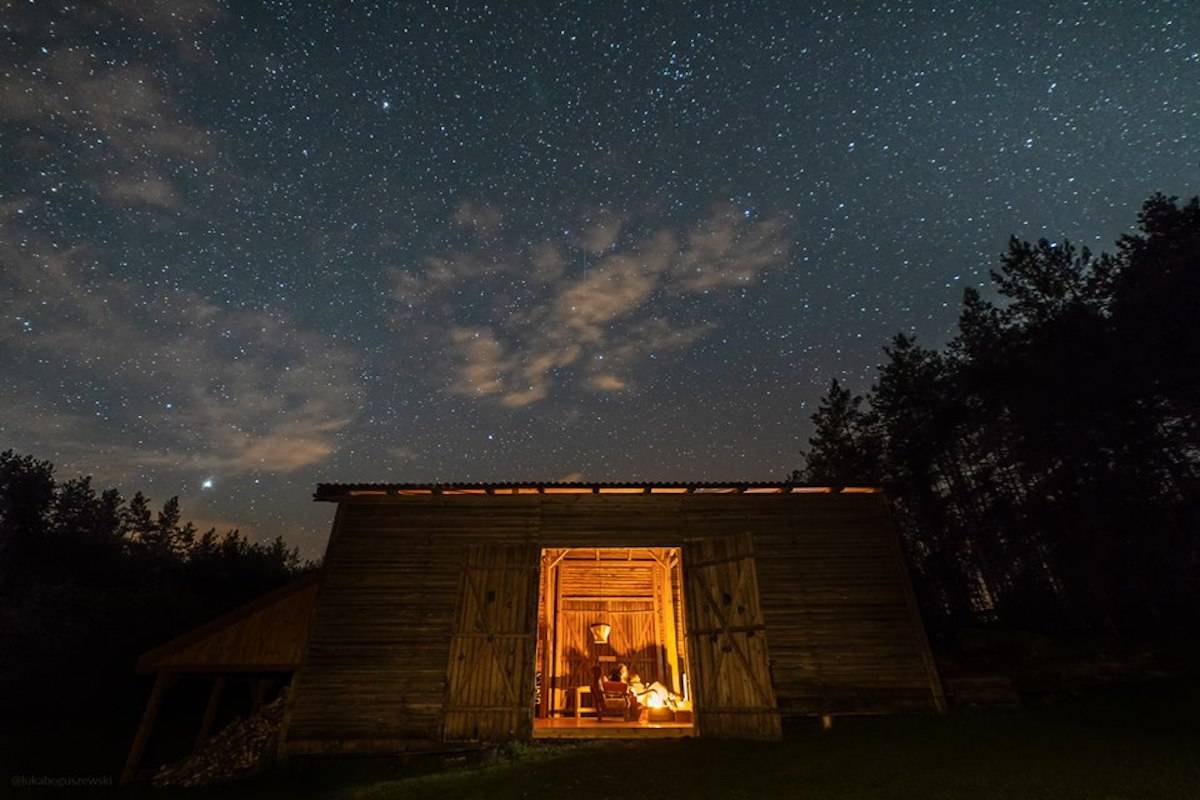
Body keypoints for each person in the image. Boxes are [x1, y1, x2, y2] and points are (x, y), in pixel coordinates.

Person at [610, 663, 679, 708]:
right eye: (625, 670)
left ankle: (669, 698)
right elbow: (629, 692)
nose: (628, 671)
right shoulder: (621, 683)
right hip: (637, 697)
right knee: (656, 685)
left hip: (638, 694)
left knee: (656, 686)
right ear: (621, 672)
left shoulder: (624, 681)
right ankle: (669, 698)